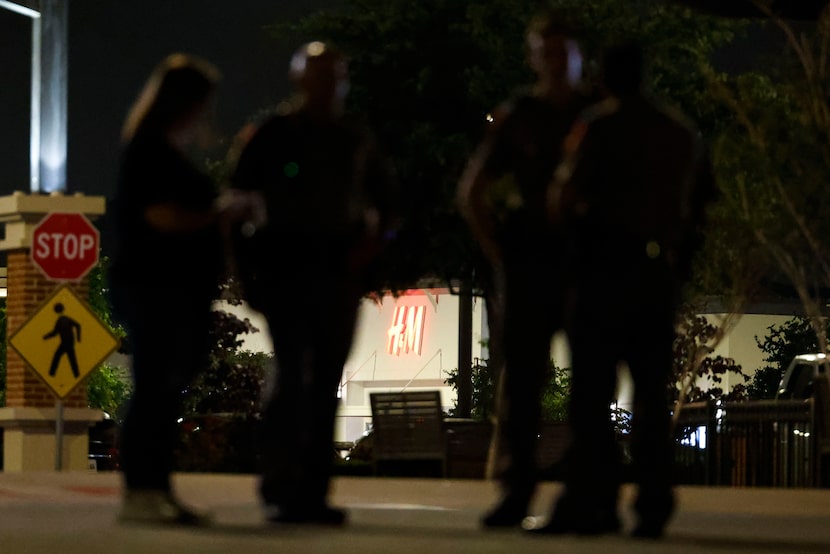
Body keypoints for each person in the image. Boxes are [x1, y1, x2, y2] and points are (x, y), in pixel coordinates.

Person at [540, 41, 716, 538]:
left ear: (605, 79)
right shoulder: (678, 133)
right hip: (656, 274)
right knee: (649, 393)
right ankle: (653, 502)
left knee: (591, 397)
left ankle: (594, 500)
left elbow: (562, 197)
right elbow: (701, 204)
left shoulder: (597, 127)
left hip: (601, 271)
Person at [229, 41, 398, 526]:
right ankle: (281, 487)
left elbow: (389, 205)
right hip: (285, 271)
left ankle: (313, 492)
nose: (328, 86)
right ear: (299, 79)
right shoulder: (272, 135)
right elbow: (237, 204)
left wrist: (367, 252)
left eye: (336, 76)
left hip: (336, 273)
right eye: (319, 75)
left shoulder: (354, 139)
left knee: (325, 383)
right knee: (290, 379)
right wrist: (247, 274)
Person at [456, 13, 595, 529]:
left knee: (590, 383)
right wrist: (499, 250)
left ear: (578, 56)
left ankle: (579, 493)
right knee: (521, 385)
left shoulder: (595, 114)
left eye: (565, 52)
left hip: (584, 263)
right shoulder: (521, 116)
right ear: (534, 58)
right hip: (532, 262)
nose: (557, 63)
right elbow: (472, 190)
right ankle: (517, 491)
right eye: (548, 52)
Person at [110, 53, 238, 526]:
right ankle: (144, 490)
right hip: (156, 289)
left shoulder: (159, 150)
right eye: (202, 103)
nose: (206, 114)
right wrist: (220, 213)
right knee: (155, 390)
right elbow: (161, 217)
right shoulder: (149, 153)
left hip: (172, 291)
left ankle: (155, 488)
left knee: (164, 390)